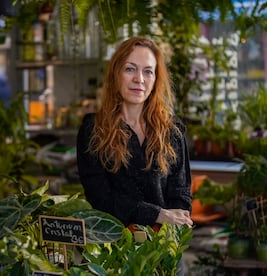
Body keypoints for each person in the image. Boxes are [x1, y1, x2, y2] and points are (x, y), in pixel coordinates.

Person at [76, 36, 193, 266]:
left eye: (148, 71)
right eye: (130, 69)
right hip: (114, 254)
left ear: (156, 79)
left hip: (164, 253)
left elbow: (181, 193)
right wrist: (158, 214)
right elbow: (101, 200)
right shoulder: (94, 130)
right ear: (116, 73)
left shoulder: (172, 131)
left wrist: (170, 228)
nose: (139, 79)